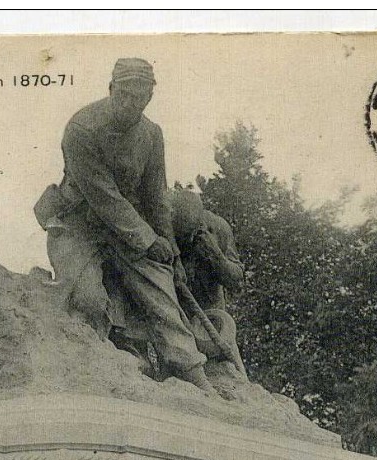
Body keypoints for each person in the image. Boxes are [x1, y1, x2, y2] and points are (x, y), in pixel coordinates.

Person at [34, 58, 213, 393]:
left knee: (162, 292)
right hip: (79, 224)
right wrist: (148, 239)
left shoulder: (151, 134)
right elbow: (103, 195)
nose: (133, 104)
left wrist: (167, 245)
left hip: (130, 229)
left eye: (142, 98)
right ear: (112, 89)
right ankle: (120, 359)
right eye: (126, 95)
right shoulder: (81, 129)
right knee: (85, 298)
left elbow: (156, 195)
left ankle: (191, 370)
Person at [169, 189, 246, 371]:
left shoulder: (218, 227)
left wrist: (216, 256)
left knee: (231, 371)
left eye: (191, 234)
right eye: (182, 237)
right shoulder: (161, 225)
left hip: (213, 321)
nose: (187, 240)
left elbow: (236, 281)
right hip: (179, 320)